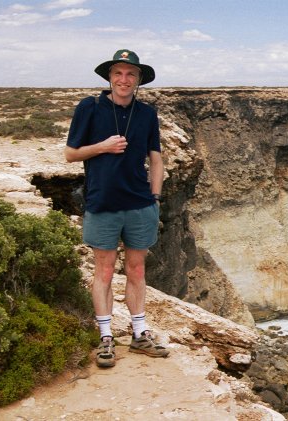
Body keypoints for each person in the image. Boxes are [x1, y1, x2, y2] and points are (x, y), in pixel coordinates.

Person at [65, 49, 169, 368]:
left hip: (140, 204)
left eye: (130, 75)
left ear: (138, 80)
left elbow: (155, 158)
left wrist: (154, 198)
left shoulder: (147, 114)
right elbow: (70, 154)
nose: (124, 80)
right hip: (102, 203)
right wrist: (104, 147)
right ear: (110, 77)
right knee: (105, 271)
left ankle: (139, 334)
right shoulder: (90, 107)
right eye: (118, 73)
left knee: (136, 270)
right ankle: (106, 338)